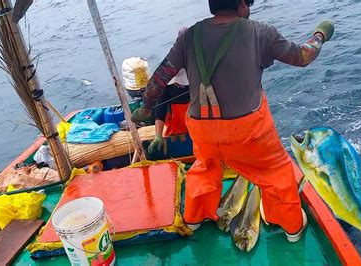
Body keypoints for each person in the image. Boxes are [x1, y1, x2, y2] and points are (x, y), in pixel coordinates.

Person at [132, 0, 334, 242]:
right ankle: (291, 226)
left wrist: (144, 109)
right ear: (241, 4)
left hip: (202, 130)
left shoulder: (189, 36)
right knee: (274, 171)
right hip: (247, 130)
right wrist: (320, 35)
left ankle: (195, 218)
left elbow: (157, 81)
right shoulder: (260, 32)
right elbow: (303, 56)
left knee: (205, 166)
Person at [148, 68, 190, 154]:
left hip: (196, 125)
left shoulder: (196, 83)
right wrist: (158, 135)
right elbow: (160, 112)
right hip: (175, 130)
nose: (180, 86)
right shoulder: (165, 88)